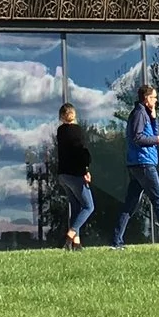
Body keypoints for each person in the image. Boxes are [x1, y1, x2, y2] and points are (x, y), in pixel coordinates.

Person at [112, 83, 159, 247]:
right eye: (154, 97)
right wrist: (158, 139)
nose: (156, 101)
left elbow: (150, 132)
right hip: (143, 163)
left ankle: (116, 241)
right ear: (147, 99)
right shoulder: (139, 113)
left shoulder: (145, 113)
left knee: (131, 203)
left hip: (139, 163)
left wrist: (154, 117)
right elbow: (137, 138)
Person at [54, 102, 94, 248]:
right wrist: (85, 170)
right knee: (89, 206)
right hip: (75, 174)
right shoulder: (76, 130)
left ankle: (76, 243)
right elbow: (81, 152)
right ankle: (71, 234)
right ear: (74, 114)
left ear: (61, 117)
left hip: (63, 174)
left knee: (76, 206)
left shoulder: (60, 131)